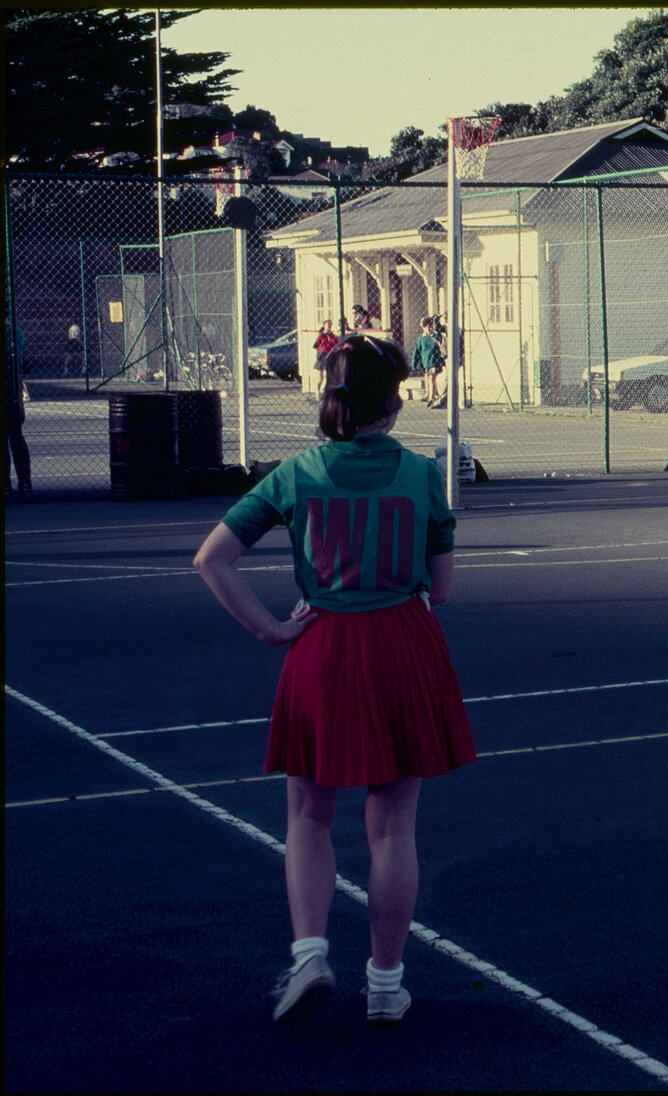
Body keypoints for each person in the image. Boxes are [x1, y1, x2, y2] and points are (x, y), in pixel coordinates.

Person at [192, 333, 474, 1024]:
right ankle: (384, 984)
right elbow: (439, 589)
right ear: (394, 401)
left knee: (308, 816)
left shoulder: (299, 472)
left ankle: (311, 955)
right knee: (392, 826)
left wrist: (270, 628)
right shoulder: (420, 476)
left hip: (323, 646)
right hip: (403, 647)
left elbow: (212, 559)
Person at [4, 320, 33, 501]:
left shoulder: (14, 333)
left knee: (12, 438)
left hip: (11, 389)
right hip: (12, 390)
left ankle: (9, 484)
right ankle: (24, 482)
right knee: (16, 436)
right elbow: (19, 362)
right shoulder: (16, 333)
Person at [411, 317, 445, 406]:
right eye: (427, 327)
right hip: (425, 362)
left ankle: (431, 398)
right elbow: (417, 351)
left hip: (435, 362)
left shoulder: (437, 336)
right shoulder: (421, 339)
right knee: (428, 378)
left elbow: (442, 348)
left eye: (431, 326)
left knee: (431, 378)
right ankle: (436, 395)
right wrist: (414, 364)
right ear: (423, 328)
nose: (429, 329)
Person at [311, 321, 338, 397]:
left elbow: (336, 345)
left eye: (330, 325)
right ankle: (317, 390)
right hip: (322, 356)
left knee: (330, 374)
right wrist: (321, 351)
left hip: (330, 356)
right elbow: (315, 345)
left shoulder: (334, 336)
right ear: (324, 326)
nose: (329, 327)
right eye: (327, 325)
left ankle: (327, 390)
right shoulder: (321, 335)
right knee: (320, 376)